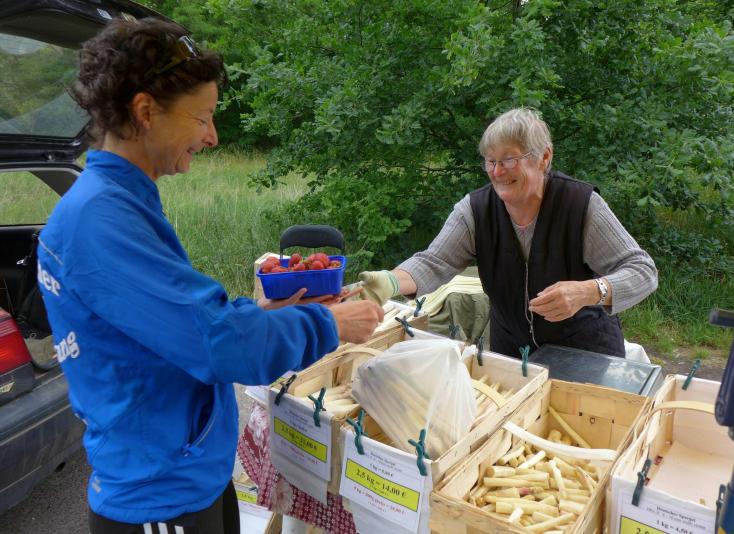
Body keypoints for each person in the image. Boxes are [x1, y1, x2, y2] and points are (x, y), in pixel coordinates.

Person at [37, 18, 383, 534]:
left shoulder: (122, 202)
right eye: (202, 117)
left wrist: (261, 314)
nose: (213, 136)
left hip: (188, 477)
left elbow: (178, 322)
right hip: (159, 498)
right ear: (146, 111)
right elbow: (218, 344)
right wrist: (329, 324)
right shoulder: (99, 219)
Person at [359, 108, 657, 358]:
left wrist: (589, 291)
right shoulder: (475, 210)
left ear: (544, 157)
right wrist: (389, 281)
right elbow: (434, 261)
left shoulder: (579, 205)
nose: (498, 171)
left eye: (509, 159)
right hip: (514, 357)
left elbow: (642, 271)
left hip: (586, 356)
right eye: (491, 161)